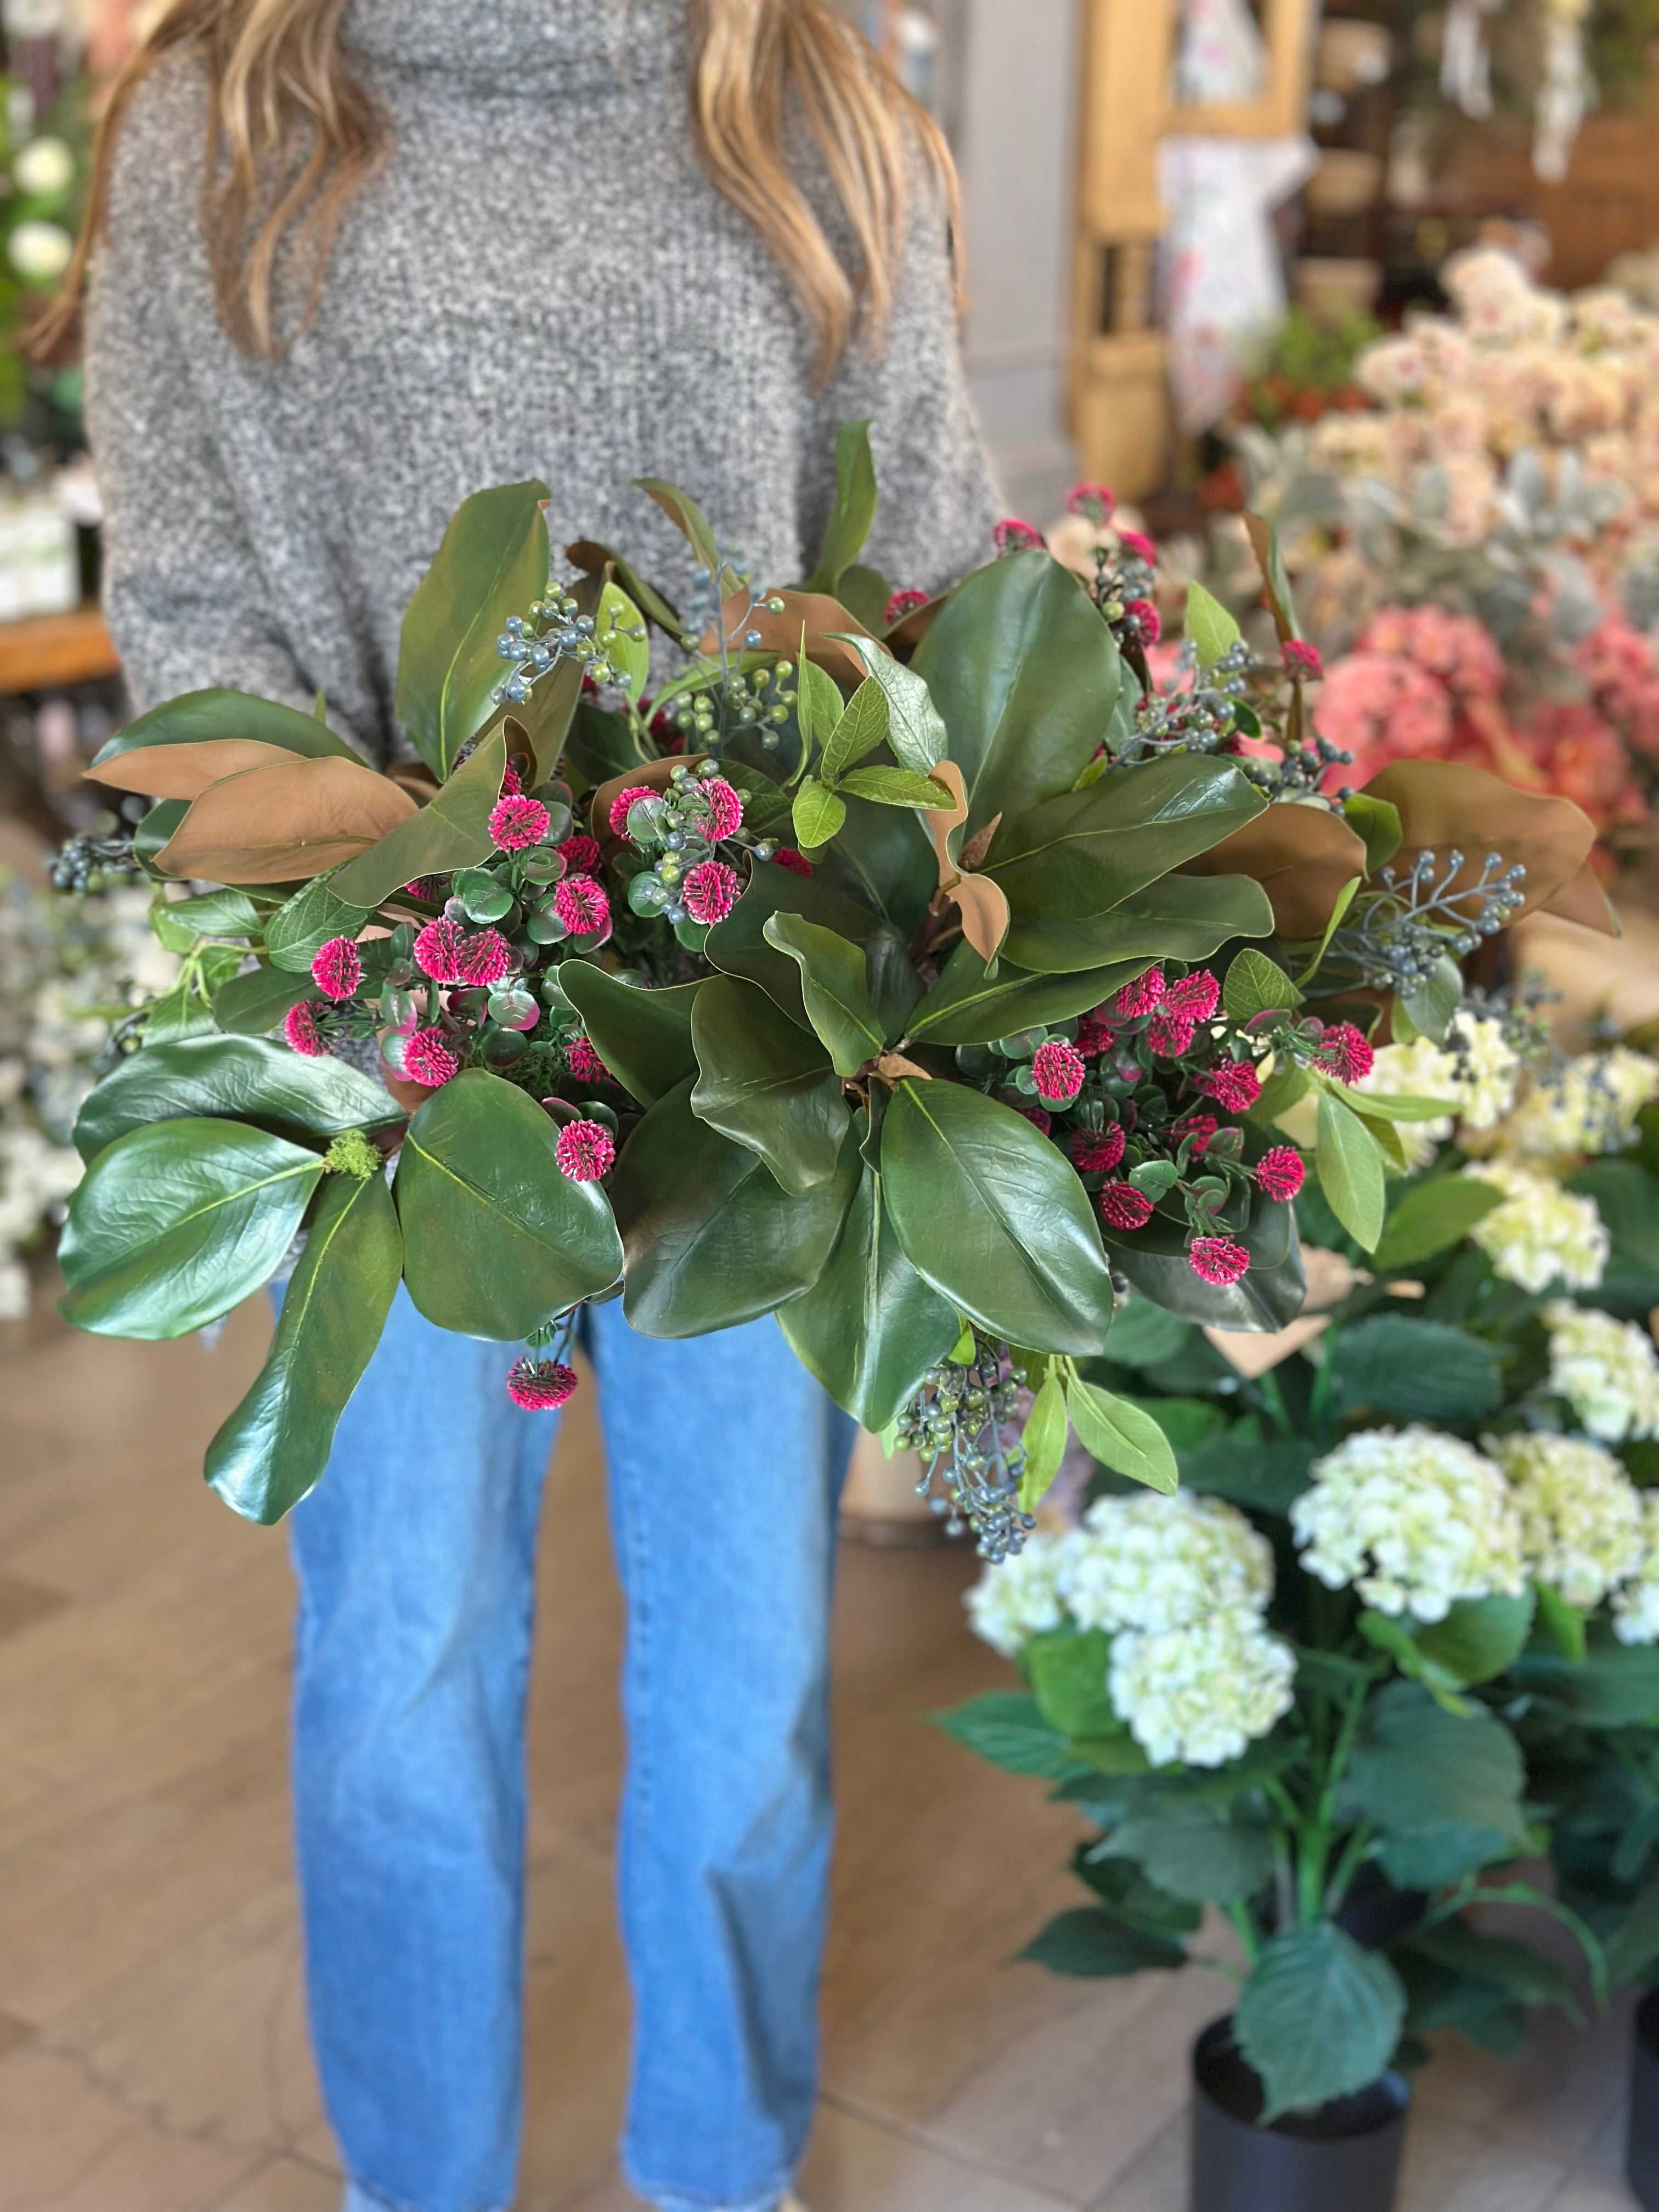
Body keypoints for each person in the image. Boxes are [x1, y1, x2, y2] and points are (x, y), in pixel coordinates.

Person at [66, 4, 997, 2209]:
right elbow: (190, 605)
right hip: (387, 1047)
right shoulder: (226, 115)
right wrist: (406, 927)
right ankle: (419, 2182)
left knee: (753, 1673)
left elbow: (932, 575)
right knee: (402, 1664)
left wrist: (913, 910)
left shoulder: (810, 95)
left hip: (758, 1050)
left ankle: (722, 2168)